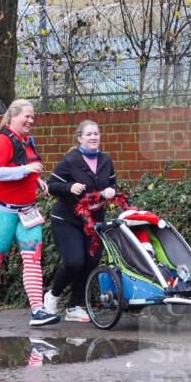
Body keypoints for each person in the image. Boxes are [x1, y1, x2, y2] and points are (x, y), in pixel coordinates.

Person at [0, 99, 60, 328]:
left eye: (33, 117)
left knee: (32, 256)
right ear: (13, 116)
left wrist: (36, 180)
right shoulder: (2, 140)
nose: (30, 120)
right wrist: (27, 170)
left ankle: (37, 310)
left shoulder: (27, 142)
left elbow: (24, 169)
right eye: (26, 116)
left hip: (26, 210)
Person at [44, 120, 117, 322]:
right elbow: (51, 185)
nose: (94, 137)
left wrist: (112, 191)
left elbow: (113, 184)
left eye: (96, 133)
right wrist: (69, 187)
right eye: (89, 134)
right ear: (80, 138)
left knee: (91, 261)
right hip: (68, 219)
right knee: (75, 262)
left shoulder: (105, 160)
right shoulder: (70, 160)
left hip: (94, 220)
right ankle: (52, 296)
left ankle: (74, 306)